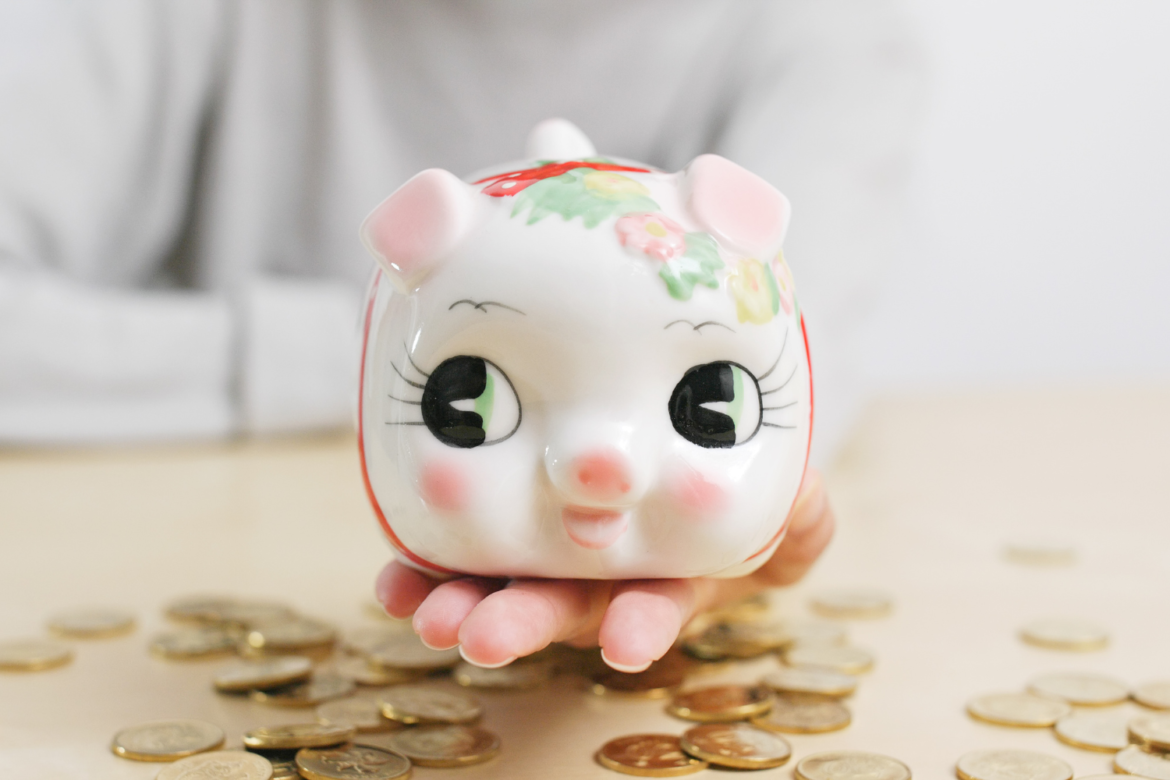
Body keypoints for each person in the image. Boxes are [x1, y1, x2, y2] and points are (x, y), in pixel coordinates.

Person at [0, 1, 921, 668]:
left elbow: (798, 346)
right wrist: (374, 353)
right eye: (462, 399)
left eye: (705, 404)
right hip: (182, 534)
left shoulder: (821, 29)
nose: (601, 460)